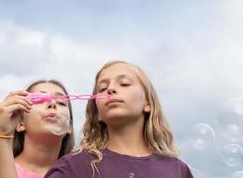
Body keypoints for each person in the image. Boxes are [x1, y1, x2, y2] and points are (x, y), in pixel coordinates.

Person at [44, 60, 193, 178]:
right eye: (102, 88)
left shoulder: (177, 170)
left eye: (124, 84)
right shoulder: (74, 167)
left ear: (147, 103)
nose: (110, 89)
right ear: (98, 114)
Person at [0, 80, 74, 178]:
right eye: (40, 99)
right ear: (20, 122)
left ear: (69, 126)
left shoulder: (84, 173)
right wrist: (3, 135)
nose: (52, 103)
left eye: (61, 102)